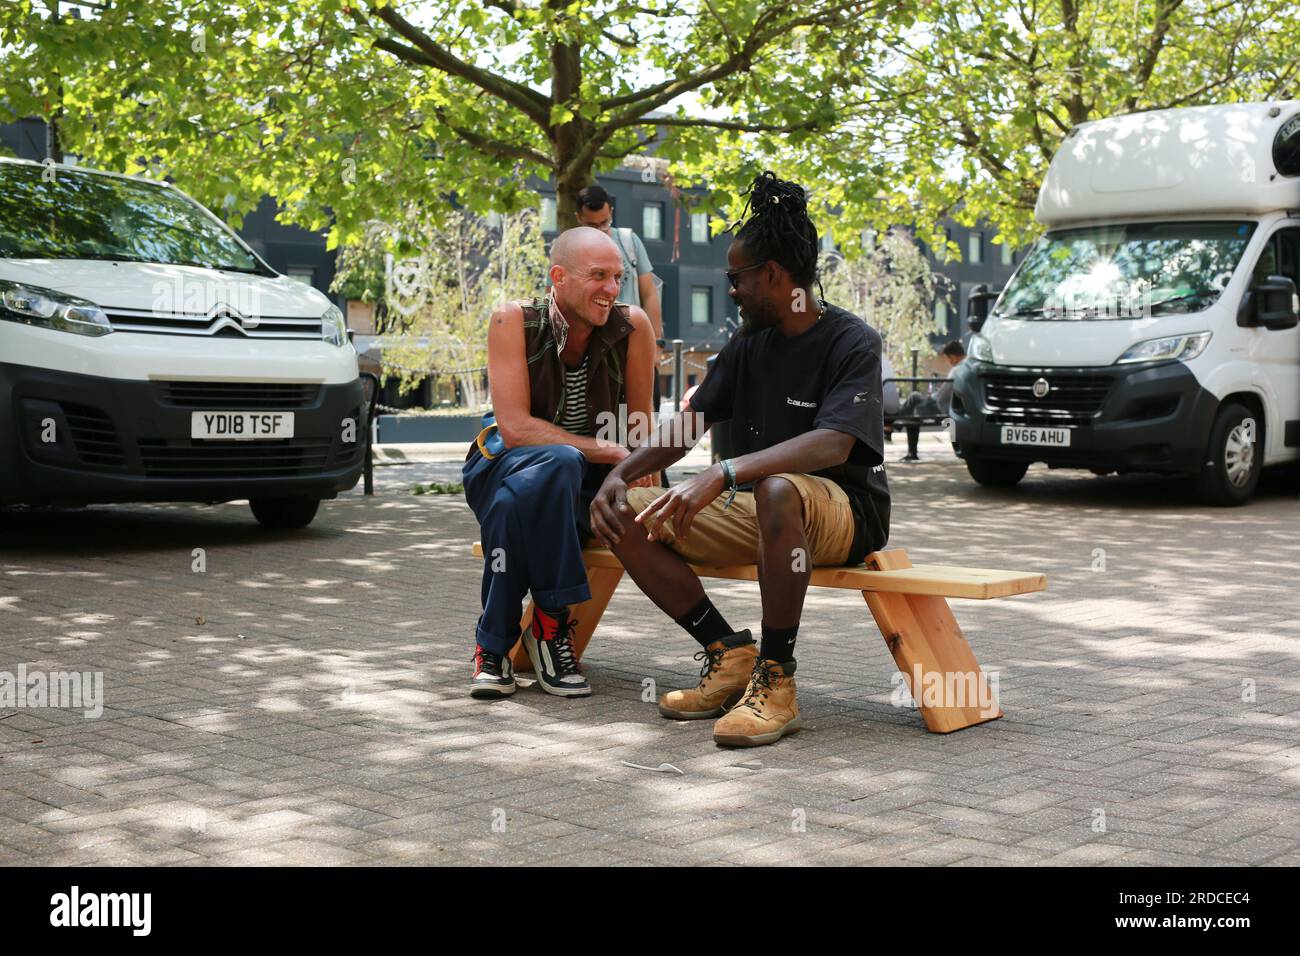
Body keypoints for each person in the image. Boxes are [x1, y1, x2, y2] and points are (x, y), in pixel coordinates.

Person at [589, 171, 891, 748]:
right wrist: (621, 474)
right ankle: (727, 652)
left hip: (846, 513)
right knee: (623, 509)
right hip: (767, 510)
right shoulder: (749, 343)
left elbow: (834, 443)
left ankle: (776, 682)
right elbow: (689, 424)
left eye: (736, 278)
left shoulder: (852, 341)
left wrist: (723, 472)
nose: (731, 289)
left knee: (778, 487)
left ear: (773, 276)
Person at [464, 226, 656, 700]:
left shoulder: (632, 327)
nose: (612, 289)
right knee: (558, 462)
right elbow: (515, 430)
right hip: (503, 464)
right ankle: (552, 631)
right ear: (559, 276)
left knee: (518, 506)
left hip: (580, 488)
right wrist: (602, 450)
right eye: (598, 276)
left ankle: (493, 645)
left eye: (618, 276)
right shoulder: (513, 321)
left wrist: (638, 472)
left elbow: (639, 428)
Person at [897, 339, 965, 462]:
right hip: (951, 407)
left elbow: (941, 396)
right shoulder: (966, 367)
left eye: (949, 358)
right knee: (912, 412)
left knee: (914, 397)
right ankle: (895, 426)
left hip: (942, 408)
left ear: (953, 356)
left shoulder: (957, 370)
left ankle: (892, 424)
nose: (949, 362)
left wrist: (932, 395)